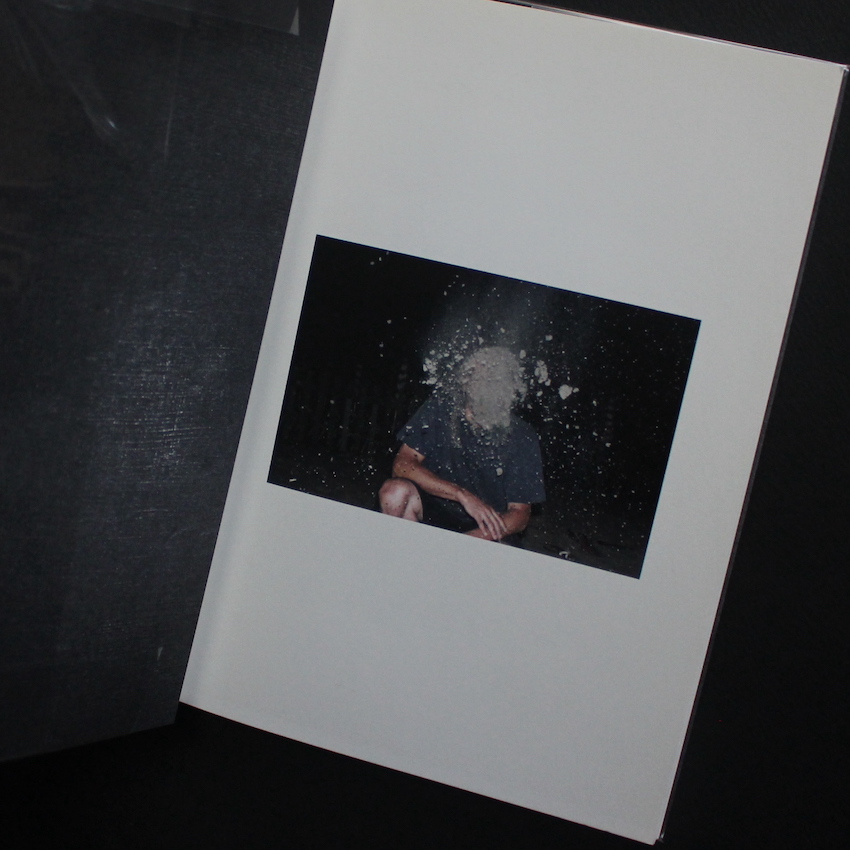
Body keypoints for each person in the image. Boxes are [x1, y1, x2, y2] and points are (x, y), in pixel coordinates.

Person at [379, 346, 545, 542]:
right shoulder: (440, 409)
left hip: (486, 530)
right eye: (483, 378)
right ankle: (398, 554)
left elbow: (520, 515)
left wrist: (463, 542)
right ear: (466, 381)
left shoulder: (522, 436)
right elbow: (402, 465)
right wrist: (461, 495)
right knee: (395, 492)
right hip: (433, 512)